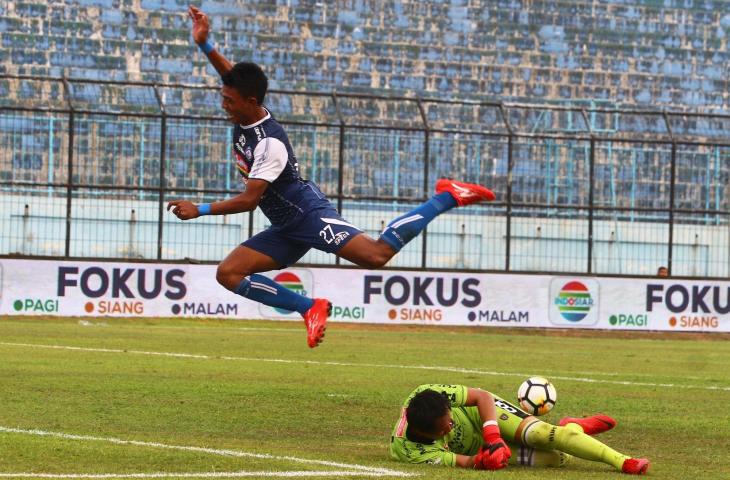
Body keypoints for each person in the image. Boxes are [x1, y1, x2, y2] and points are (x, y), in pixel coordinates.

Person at [167, 6, 496, 348]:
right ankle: (310, 308)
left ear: (250, 102)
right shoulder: (245, 111)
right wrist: (204, 45)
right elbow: (232, 78)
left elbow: (249, 201)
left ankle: (447, 195)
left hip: (308, 215)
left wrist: (200, 209)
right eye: (223, 97)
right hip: (284, 226)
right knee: (229, 273)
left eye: (229, 100)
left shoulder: (268, 144)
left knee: (376, 255)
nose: (224, 104)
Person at [390, 384, 650, 474]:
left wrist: (492, 434)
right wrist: (484, 461)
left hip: (486, 416)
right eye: (446, 427)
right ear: (429, 434)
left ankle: (623, 462)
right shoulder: (410, 453)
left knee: (542, 436)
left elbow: (481, 397)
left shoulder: (429, 394)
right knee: (556, 458)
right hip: (483, 448)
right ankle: (572, 426)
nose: (451, 425)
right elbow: (465, 461)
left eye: (450, 417)